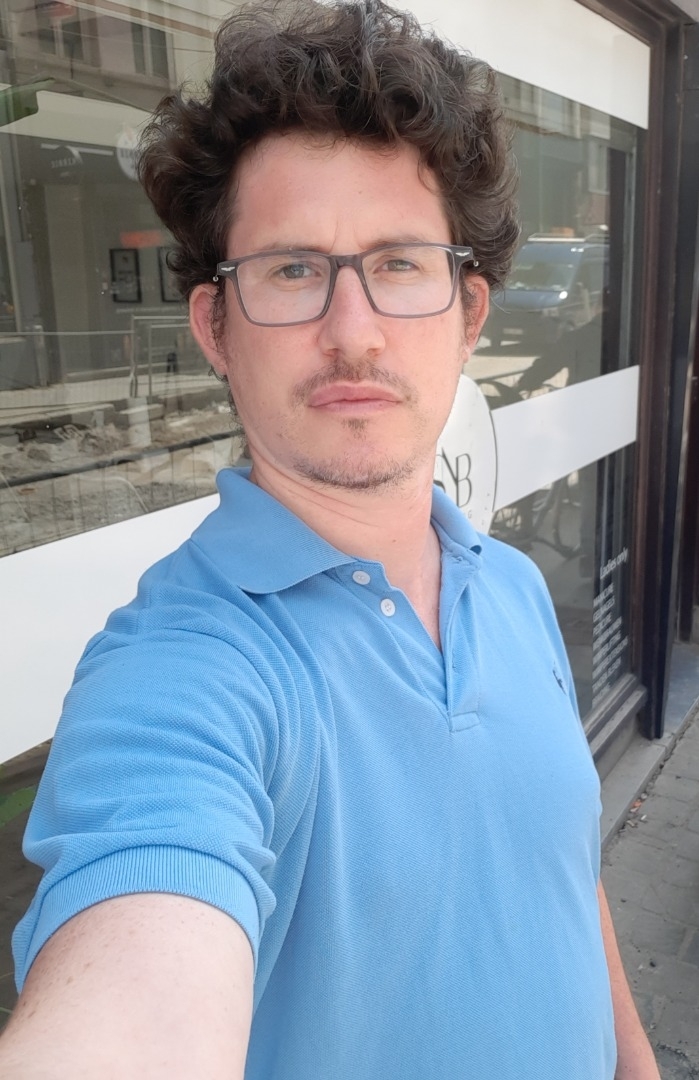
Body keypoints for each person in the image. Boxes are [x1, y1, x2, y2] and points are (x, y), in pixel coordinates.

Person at [0, 2, 659, 1077]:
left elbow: (560, 874)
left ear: (468, 313)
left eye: (399, 264)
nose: (352, 332)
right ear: (216, 328)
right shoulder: (182, 676)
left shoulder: (509, 585)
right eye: (292, 269)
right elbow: (136, 978)